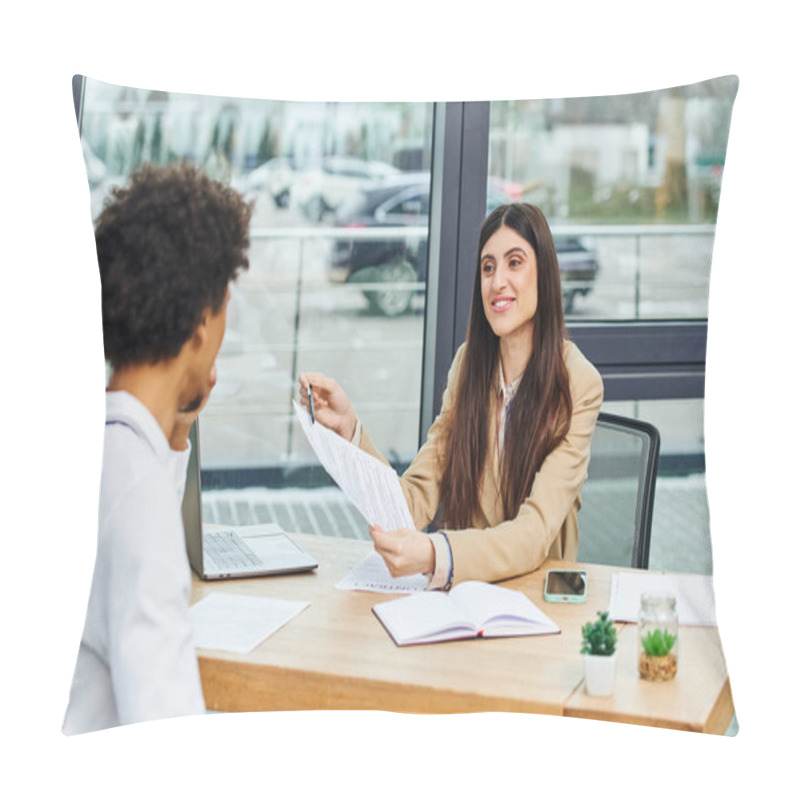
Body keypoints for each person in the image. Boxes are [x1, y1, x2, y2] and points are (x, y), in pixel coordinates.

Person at [299, 203, 603, 589]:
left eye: (515, 263)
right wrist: (350, 430)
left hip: (539, 600)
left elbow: (534, 534)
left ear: (544, 274)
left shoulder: (578, 383)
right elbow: (410, 503)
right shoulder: (468, 367)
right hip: (466, 599)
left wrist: (434, 553)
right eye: (488, 267)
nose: (497, 282)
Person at [62, 162, 252, 734]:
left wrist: (178, 427)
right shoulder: (138, 495)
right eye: (224, 305)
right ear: (200, 320)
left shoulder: (100, 444)